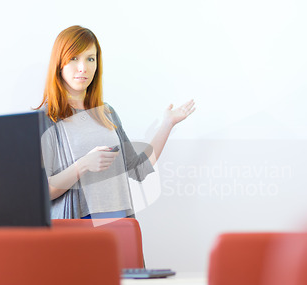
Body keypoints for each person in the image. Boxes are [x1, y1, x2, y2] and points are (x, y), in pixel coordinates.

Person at [38, 25, 195, 219]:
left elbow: (138, 169)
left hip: (118, 221)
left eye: (90, 59)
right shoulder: (46, 118)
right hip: (79, 225)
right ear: (59, 63)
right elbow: (42, 191)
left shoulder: (107, 113)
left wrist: (167, 124)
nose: (83, 67)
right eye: (73, 58)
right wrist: (84, 165)